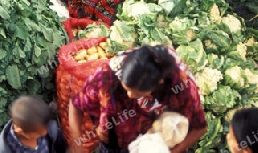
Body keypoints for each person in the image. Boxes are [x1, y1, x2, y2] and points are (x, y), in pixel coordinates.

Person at [69, 45, 207, 153]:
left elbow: (199, 128)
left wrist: (170, 151)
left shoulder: (180, 86)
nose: (130, 96)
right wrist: (77, 143)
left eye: (138, 93)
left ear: (159, 83)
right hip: (114, 144)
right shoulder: (107, 76)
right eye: (127, 89)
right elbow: (76, 105)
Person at [0, 95, 68, 152]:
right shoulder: (4, 150)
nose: (45, 133)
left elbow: (62, 144)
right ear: (21, 131)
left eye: (46, 129)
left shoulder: (46, 128)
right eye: (39, 134)